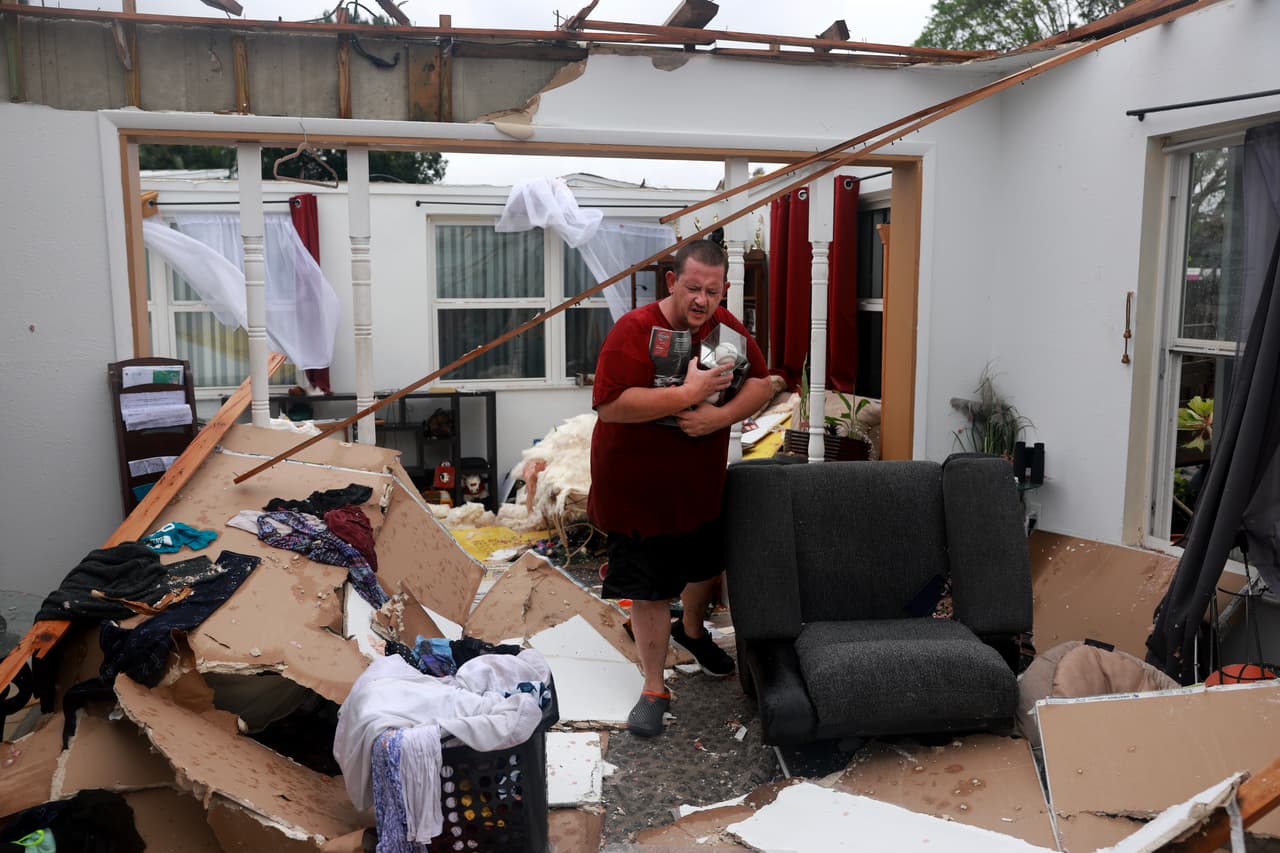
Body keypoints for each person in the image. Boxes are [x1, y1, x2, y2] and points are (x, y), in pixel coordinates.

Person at [588, 239, 773, 737]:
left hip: (697, 486)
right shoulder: (633, 330)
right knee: (648, 588)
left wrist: (719, 417)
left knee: (703, 566)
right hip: (637, 491)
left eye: (712, 292)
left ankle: (691, 631)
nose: (701, 300)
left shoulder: (726, 330)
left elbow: (763, 382)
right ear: (672, 282)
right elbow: (610, 405)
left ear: (724, 290)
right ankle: (654, 686)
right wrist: (688, 394)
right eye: (692, 288)